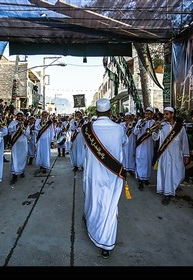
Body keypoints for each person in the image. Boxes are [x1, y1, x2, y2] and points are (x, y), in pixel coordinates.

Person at [81, 98, 127, 259]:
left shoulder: (87, 128)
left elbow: (84, 149)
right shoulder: (119, 129)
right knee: (109, 206)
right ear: (110, 111)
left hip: (93, 174)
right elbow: (124, 144)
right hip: (112, 175)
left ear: (96, 111)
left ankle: (92, 226)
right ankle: (106, 243)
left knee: (93, 200)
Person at [152, 107, 190, 205]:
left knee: (178, 172)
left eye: (167, 114)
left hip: (177, 153)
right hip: (164, 153)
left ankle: (172, 187)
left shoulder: (180, 127)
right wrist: (157, 128)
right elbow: (155, 138)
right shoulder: (162, 126)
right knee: (166, 172)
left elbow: (184, 141)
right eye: (164, 114)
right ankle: (167, 193)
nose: (164, 116)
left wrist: (186, 155)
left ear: (172, 115)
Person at [133, 107, 156, 190]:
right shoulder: (140, 121)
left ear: (152, 115)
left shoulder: (154, 123)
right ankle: (140, 181)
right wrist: (140, 125)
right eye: (146, 113)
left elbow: (155, 138)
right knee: (140, 163)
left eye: (149, 114)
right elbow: (135, 132)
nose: (147, 115)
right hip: (140, 146)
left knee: (148, 163)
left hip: (149, 147)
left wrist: (153, 131)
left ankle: (146, 179)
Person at [8, 111, 30, 184]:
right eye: (19, 116)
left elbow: (27, 134)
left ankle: (21, 171)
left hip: (23, 144)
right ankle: (14, 175)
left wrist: (23, 128)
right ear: (17, 116)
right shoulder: (13, 123)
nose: (20, 117)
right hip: (15, 143)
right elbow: (10, 130)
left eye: (21, 116)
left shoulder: (26, 124)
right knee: (15, 158)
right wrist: (17, 126)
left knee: (23, 158)